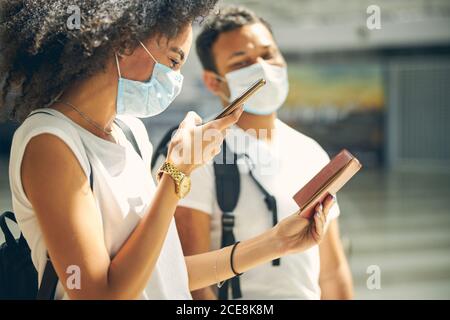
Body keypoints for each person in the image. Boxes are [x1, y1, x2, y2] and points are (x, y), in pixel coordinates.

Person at [1, 1, 334, 300]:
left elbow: (163, 271)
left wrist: (278, 242)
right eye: (174, 60)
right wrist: (178, 173)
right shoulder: (50, 142)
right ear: (126, 40)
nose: (174, 78)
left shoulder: (129, 132)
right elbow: (100, 295)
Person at [174, 6, 353, 300]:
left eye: (268, 54)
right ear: (212, 81)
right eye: (241, 62)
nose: (262, 68)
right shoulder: (198, 154)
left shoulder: (310, 151)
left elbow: (331, 272)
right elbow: (191, 284)